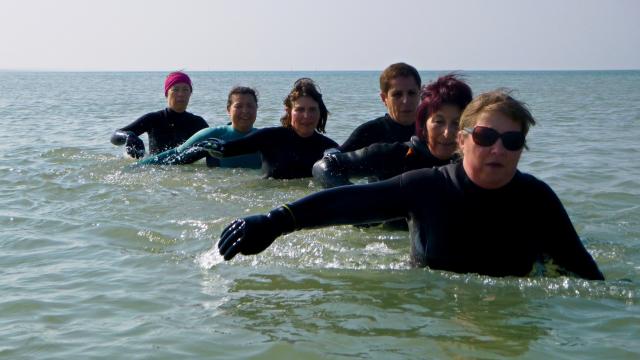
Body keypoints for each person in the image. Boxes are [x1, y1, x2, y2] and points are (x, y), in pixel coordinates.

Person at [217, 90, 605, 280]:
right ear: (463, 140)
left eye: (513, 141)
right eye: (486, 137)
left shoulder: (536, 199)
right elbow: (346, 203)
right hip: (425, 312)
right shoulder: (425, 187)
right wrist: (274, 220)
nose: (498, 149)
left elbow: (587, 277)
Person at [139, 78, 338, 179]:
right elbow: (177, 155)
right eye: (300, 109)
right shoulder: (268, 138)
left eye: (312, 110)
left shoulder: (328, 147)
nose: (306, 116)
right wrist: (139, 167)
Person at [313, 73, 473, 188]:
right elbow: (324, 167)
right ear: (423, 123)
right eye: (439, 122)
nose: (447, 132)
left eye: (456, 123)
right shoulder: (393, 155)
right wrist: (362, 204)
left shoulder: (473, 163)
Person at [134, 87, 262, 168]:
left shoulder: (266, 138)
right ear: (228, 110)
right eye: (238, 106)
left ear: (257, 108)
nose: (245, 111)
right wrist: (136, 168)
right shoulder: (214, 135)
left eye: (250, 106)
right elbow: (176, 154)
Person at [110, 71, 208, 158]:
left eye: (185, 90)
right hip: (156, 169)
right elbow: (114, 137)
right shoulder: (154, 119)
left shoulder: (198, 123)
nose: (181, 94)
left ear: (190, 93)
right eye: (175, 89)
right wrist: (129, 135)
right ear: (166, 94)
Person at [339, 62, 421, 152]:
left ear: (420, 94)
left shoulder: (430, 131)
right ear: (384, 98)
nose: (406, 100)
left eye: (411, 93)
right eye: (397, 94)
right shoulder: (368, 133)